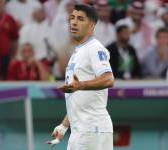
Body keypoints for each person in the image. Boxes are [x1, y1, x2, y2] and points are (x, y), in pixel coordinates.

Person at [47, 4, 114, 150]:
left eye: (80, 19)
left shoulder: (95, 48)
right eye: (72, 18)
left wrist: (81, 85)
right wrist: (64, 126)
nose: (74, 22)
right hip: (81, 130)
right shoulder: (77, 52)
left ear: (91, 26)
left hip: (92, 129)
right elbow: (78, 99)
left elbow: (109, 79)